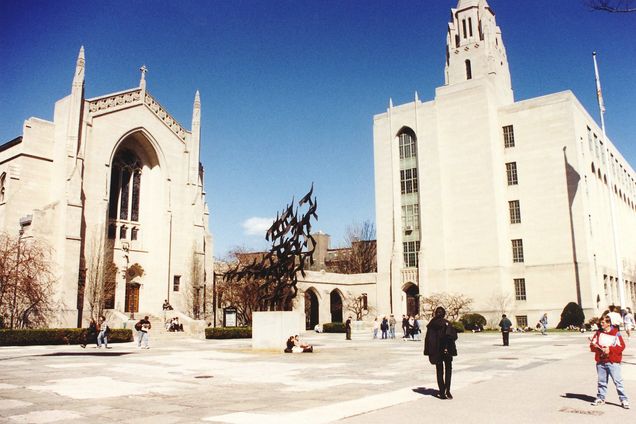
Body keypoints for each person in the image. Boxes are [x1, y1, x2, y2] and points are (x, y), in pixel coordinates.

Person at [589, 315, 629, 409]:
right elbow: (592, 346)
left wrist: (610, 349)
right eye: (600, 322)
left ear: (608, 323)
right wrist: (595, 346)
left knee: (618, 382)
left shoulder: (616, 333)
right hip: (601, 361)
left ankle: (624, 400)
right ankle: (600, 398)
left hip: (612, 361)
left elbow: (622, 346)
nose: (601, 324)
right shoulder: (598, 333)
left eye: (603, 323)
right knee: (601, 382)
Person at [424, 306, 458, 400]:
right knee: (448, 370)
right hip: (447, 350)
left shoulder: (431, 325)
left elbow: (428, 339)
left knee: (439, 371)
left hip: (436, 351)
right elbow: (454, 336)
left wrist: (429, 351)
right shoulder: (447, 323)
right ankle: (448, 390)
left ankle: (442, 391)